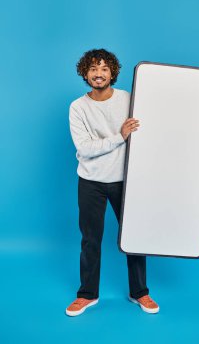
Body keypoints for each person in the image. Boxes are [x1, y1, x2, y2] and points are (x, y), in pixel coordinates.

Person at [66, 48, 159, 316]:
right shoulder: (77, 107)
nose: (99, 73)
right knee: (90, 240)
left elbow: (153, 130)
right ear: (85, 73)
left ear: (112, 73)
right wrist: (120, 136)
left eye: (104, 68)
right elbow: (84, 148)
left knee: (135, 237)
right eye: (93, 69)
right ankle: (87, 294)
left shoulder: (129, 99)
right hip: (91, 181)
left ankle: (140, 292)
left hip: (124, 181)